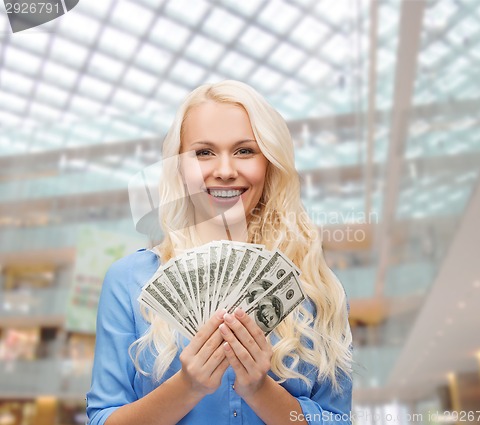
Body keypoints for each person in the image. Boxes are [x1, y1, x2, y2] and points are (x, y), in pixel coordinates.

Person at [86, 80, 353, 425]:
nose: (225, 171)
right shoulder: (127, 281)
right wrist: (187, 387)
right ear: (180, 168)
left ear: (269, 163)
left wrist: (260, 389)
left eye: (244, 151)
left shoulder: (319, 289)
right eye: (203, 152)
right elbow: (102, 420)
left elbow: (337, 420)